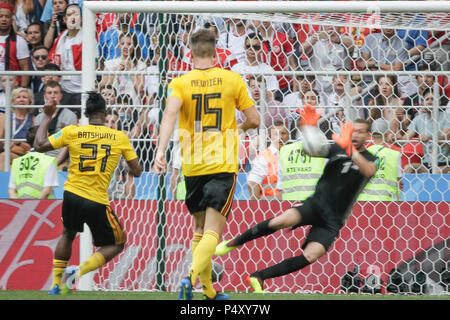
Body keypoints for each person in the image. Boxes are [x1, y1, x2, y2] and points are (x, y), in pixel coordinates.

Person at [215, 105, 379, 293]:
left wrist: (349, 148)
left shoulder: (372, 158)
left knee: (311, 255)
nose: (356, 135)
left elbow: (368, 170)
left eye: (361, 132)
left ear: (368, 136)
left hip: (334, 218)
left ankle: (259, 276)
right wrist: (309, 129)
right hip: (316, 203)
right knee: (281, 221)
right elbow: (311, 150)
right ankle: (233, 243)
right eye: (354, 131)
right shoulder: (338, 147)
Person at [153, 28, 260, 300]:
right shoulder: (232, 79)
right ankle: (189, 279)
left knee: (198, 229)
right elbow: (255, 120)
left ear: (190, 50)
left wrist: (161, 151)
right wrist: (240, 127)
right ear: (215, 51)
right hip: (221, 163)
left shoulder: (181, 82)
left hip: (192, 165)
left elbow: (169, 114)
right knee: (214, 230)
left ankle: (209, 291)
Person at [33, 91, 142, 295]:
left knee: (67, 234)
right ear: (105, 112)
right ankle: (78, 271)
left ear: (86, 113)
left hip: (72, 195)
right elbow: (137, 170)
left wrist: (47, 116)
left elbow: (39, 145)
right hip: (96, 199)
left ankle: (56, 284)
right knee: (118, 243)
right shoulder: (119, 137)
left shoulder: (72, 131)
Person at [399, 88, 449, 173]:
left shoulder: (447, 117)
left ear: (439, 102)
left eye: (433, 99)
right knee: (409, 168)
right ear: (423, 103)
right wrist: (396, 138)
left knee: (437, 172)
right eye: (427, 99)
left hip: (444, 164)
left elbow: (444, 138)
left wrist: (429, 139)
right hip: (427, 164)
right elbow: (404, 139)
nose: (429, 102)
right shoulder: (419, 119)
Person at [8, 126, 59, 199]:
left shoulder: (17, 162)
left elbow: (11, 191)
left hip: (21, 208)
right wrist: (33, 207)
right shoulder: (49, 161)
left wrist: (22, 207)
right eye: (48, 137)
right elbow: (47, 191)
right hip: (42, 208)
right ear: (41, 140)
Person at [358, 119, 403, 201]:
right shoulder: (395, 155)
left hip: (364, 202)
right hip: (387, 202)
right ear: (387, 133)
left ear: (371, 134)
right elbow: (399, 183)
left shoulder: (363, 154)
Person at [247, 121, 289, 201]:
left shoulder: (294, 154)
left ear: (288, 136)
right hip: (271, 205)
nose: (280, 137)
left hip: (290, 204)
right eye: (276, 134)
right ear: (269, 136)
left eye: (283, 133)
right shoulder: (263, 157)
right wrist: (258, 204)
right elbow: (252, 183)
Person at [0, 87, 35, 170]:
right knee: (3, 156)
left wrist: (16, 143)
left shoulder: (34, 120)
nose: (21, 100)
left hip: (27, 154)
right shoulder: (3, 118)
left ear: (30, 102)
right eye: (18, 97)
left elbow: (34, 145)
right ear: (13, 101)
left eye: (25, 97)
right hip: (8, 152)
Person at [0, 2, 31, 87]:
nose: (4, 19)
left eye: (7, 16)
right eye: (1, 16)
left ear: (12, 20)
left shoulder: (20, 41)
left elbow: (25, 68)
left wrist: (22, 90)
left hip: (11, 88)